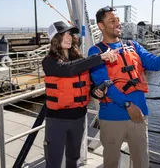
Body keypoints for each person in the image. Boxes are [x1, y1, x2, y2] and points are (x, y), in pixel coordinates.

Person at [88, 7, 160, 168]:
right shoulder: (96, 51)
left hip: (139, 115)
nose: (117, 23)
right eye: (112, 21)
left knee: (141, 161)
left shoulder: (133, 46)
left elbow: (154, 63)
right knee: (110, 162)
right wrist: (127, 105)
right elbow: (103, 82)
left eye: (118, 20)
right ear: (101, 26)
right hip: (112, 117)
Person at [42, 21, 119, 168]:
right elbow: (67, 70)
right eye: (63, 34)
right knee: (53, 162)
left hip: (78, 118)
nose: (69, 37)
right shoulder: (49, 62)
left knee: (74, 158)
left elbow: (86, 85)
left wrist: (95, 92)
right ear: (54, 39)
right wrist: (100, 57)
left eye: (70, 34)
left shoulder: (79, 60)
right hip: (57, 120)